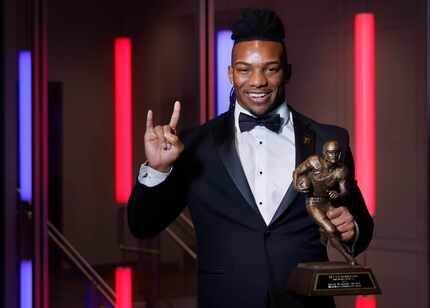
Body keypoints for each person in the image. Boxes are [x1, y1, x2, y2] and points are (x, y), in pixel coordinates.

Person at [128, 8, 373, 308]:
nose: (258, 81)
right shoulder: (193, 145)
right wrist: (157, 169)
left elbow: (359, 220)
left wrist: (353, 228)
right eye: (245, 69)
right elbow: (142, 225)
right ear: (230, 73)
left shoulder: (327, 140)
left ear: (287, 71)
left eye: (270, 69)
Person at [293, 140, 357, 265]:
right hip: (313, 203)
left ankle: (325, 245)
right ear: (324, 153)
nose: (333, 156)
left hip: (327, 202)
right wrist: (297, 185)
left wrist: (338, 194)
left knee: (330, 231)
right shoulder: (314, 161)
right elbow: (297, 172)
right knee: (331, 229)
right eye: (330, 153)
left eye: (336, 153)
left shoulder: (341, 170)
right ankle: (348, 256)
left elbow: (344, 191)